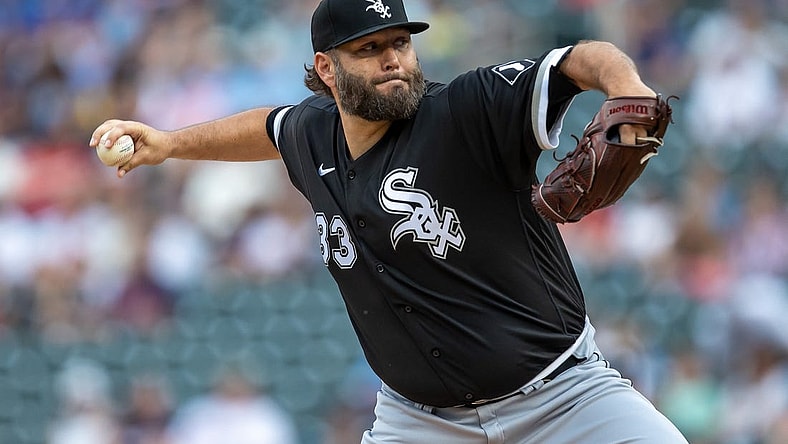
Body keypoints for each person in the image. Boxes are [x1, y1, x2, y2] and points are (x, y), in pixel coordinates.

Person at [90, 0, 688, 442]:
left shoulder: (466, 109)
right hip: (418, 421)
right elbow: (267, 127)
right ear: (327, 69)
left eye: (400, 43)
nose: (393, 61)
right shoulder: (312, 131)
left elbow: (580, 60)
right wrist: (168, 143)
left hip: (562, 398)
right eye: (369, 49)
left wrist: (628, 88)